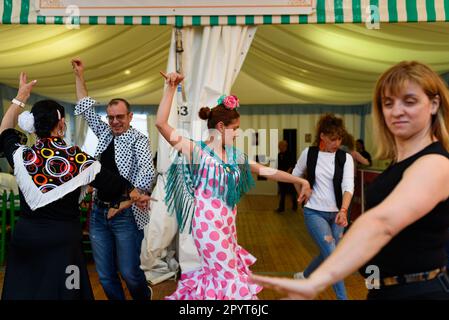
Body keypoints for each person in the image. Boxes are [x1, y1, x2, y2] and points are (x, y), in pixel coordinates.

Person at [251, 61, 449, 300]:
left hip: (418, 291)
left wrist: (317, 282)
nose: (396, 111)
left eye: (409, 101)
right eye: (388, 103)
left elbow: (381, 222)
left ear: (434, 104)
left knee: (329, 248)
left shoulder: (436, 163)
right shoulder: (401, 164)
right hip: (384, 288)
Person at [155, 72, 311, 300]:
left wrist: (300, 180)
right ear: (220, 127)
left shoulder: (235, 156)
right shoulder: (197, 151)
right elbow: (160, 123)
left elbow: (266, 170)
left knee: (219, 280)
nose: (238, 132)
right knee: (231, 280)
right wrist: (170, 88)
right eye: (235, 128)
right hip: (207, 228)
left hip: (228, 227)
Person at [0, 73, 149, 300]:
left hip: (27, 239)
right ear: (61, 124)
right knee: (68, 291)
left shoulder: (22, 155)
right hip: (64, 242)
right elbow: (112, 180)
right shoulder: (77, 158)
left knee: (26, 290)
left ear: (33, 127)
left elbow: (5, 133)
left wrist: (20, 98)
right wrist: (134, 193)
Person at [72, 59, 155, 300]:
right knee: (105, 275)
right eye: (111, 117)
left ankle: (143, 295)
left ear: (129, 116)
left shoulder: (139, 139)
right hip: (99, 212)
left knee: (129, 273)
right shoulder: (105, 133)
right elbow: (86, 108)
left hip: (126, 215)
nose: (115, 121)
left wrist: (124, 204)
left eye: (120, 117)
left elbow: (147, 174)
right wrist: (79, 76)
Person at [290, 114, 354, 300]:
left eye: (340, 138)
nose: (337, 143)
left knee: (330, 251)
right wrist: (302, 193)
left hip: (338, 214)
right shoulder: (309, 154)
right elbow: (296, 174)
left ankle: (305, 276)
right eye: (333, 139)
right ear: (323, 137)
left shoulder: (345, 158)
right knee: (333, 257)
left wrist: (343, 211)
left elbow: (348, 186)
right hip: (314, 212)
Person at [275, 140, 298, 213]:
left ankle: (295, 207)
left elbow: (292, 165)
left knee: (292, 192)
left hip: (289, 176)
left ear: (284, 146)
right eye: (279, 146)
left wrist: (287, 174)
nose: (279, 147)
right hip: (281, 176)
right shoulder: (279, 155)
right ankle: (281, 208)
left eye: (280, 146)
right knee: (282, 193)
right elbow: (279, 166)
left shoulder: (290, 154)